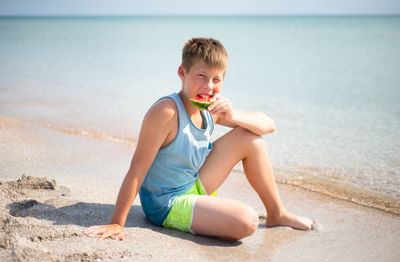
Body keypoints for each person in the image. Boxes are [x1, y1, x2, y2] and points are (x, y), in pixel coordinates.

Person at [84, 37, 313, 241]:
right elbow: (137, 170)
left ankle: (277, 213)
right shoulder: (167, 112)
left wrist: (232, 115)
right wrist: (117, 222)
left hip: (193, 184)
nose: (209, 86)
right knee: (248, 221)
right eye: (201, 76)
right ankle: (207, 212)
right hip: (167, 203)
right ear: (182, 73)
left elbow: (268, 125)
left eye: (217, 79)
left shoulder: (209, 108)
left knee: (250, 138)